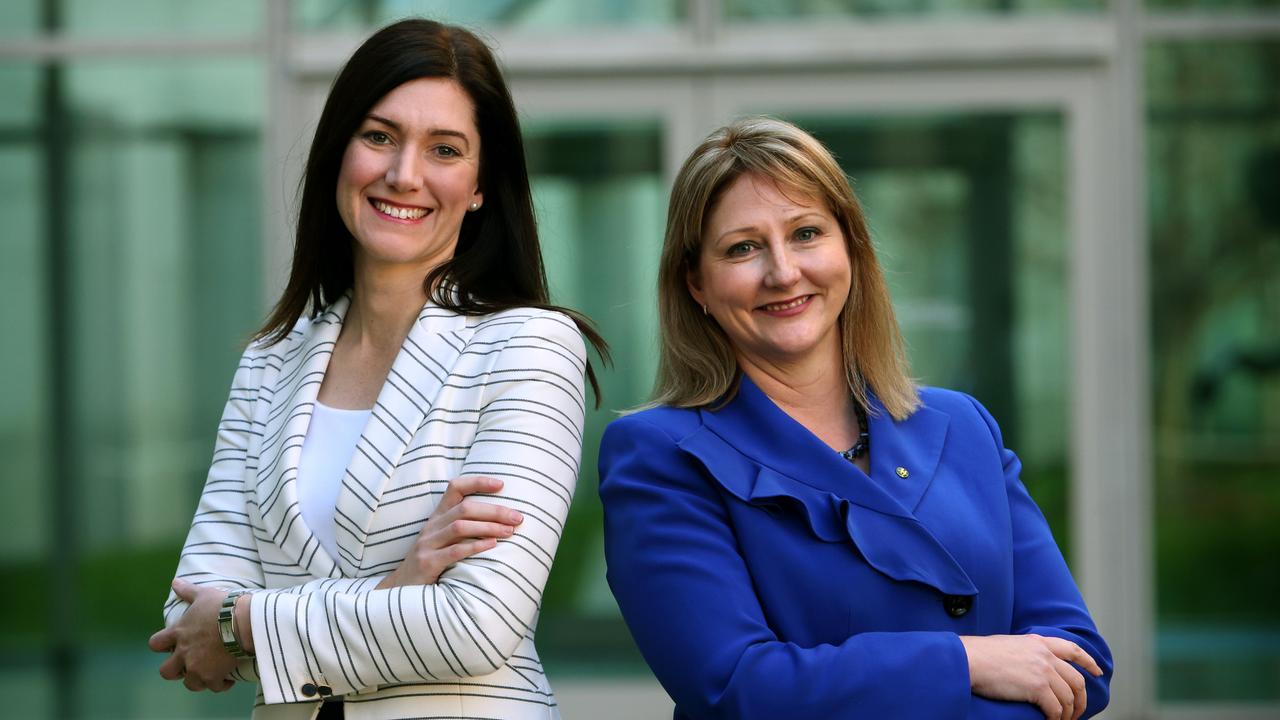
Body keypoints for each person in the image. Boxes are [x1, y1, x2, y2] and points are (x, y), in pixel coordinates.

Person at [148, 18, 604, 719]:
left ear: (481, 185)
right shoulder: (271, 363)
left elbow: (475, 626)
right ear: (340, 151)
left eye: (444, 149)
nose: (404, 174)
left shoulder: (529, 347)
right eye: (380, 136)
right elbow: (187, 626)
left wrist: (243, 622)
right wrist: (397, 584)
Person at [598, 117, 1112, 720]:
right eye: (743, 248)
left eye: (807, 233)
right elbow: (738, 688)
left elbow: (1080, 666)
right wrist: (967, 661)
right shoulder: (660, 455)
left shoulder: (963, 425)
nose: (784, 272)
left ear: (851, 248)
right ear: (696, 285)